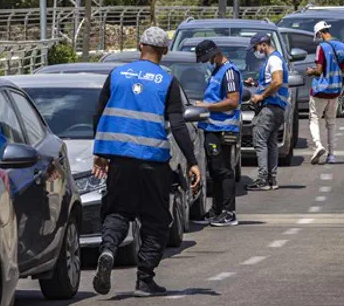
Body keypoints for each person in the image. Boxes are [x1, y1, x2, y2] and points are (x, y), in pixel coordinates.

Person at [91, 26, 202, 297]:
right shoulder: (167, 80)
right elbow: (177, 124)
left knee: (117, 212)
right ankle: (144, 279)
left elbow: (99, 113)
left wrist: (101, 152)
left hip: (119, 159)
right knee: (155, 221)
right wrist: (192, 161)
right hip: (153, 161)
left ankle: (108, 250)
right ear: (164, 52)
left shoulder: (117, 74)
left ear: (140, 47)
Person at [193, 40, 242, 227]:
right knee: (215, 171)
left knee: (223, 170)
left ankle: (228, 212)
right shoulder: (217, 71)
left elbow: (233, 101)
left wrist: (207, 106)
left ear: (215, 54)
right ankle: (216, 210)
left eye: (207, 58)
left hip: (223, 129)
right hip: (212, 127)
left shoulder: (229, 72)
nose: (207, 62)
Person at [245, 33, 288, 191]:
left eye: (256, 47)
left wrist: (260, 96)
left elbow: (277, 81)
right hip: (277, 108)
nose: (256, 51)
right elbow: (270, 82)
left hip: (270, 107)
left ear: (263, 44)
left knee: (260, 142)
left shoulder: (274, 59)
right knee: (271, 143)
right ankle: (271, 179)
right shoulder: (275, 59)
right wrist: (256, 83)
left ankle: (263, 179)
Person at [306, 21, 344, 165]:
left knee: (314, 118)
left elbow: (319, 70)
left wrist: (310, 71)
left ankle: (318, 145)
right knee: (331, 123)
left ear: (319, 33)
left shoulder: (322, 47)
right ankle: (331, 155)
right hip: (335, 90)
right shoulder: (342, 47)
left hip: (321, 90)